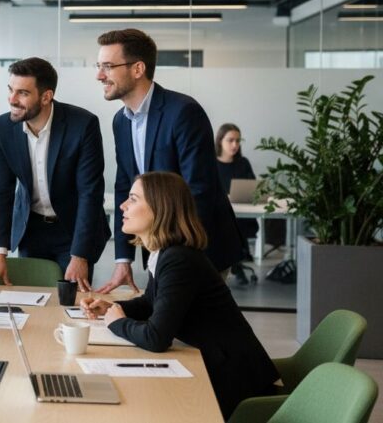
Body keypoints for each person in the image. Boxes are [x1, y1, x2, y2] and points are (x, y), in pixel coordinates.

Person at [81, 172, 278, 418]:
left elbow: (156, 338)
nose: (123, 205)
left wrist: (118, 323)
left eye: (132, 198)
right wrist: (110, 307)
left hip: (234, 384)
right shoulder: (165, 253)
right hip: (215, 366)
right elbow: (151, 302)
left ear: (159, 208)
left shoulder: (178, 259)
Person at [94, 28, 243, 293]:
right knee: (165, 328)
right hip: (161, 248)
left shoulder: (183, 112)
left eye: (107, 66)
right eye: (99, 66)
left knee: (191, 333)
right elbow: (123, 188)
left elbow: (198, 190)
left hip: (198, 247)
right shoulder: (121, 121)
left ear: (138, 68)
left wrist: (170, 256)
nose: (99, 75)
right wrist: (122, 258)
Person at [0, 57, 107, 290]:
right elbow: (2, 192)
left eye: (22, 93)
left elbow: (90, 193)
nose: (12, 99)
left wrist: (80, 255)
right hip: (31, 229)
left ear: (46, 96)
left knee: (68, 303)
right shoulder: (3, 127)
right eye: (11, 90)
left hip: (72, 230)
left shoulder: (82, 125)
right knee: (30, 299)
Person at [216, 123, 260, 283]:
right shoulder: (211, 163)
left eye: (238, 141)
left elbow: (254, 188)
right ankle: (235, 263)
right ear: (220, 141)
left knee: (236, 225)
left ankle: (235, 264)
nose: (235, 145)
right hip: (220, 214)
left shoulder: (243, 163)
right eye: (230, 140)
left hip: (243, 215)